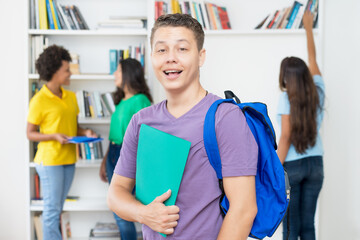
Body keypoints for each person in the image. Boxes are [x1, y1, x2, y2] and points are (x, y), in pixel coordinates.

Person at [107, 13, 258, 240]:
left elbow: (244, 210)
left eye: (182, 49)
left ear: (200, 56)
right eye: (161, 50)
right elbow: (115, 194)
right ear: (152, 58)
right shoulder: (141, 121)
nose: (170, 58)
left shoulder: (225, 117)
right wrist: (143, 214)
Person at [27, 45, 97, 240]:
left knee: (57, 208)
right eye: (66, 70)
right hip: (50, 162)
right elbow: (30, 133)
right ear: (54, 71)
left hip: (68, 160)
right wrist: (53, 136)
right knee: (51, 211)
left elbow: (73, 128)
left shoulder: (71, 97)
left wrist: (86, 132)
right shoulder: (39, 100)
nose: (70, 74)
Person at [277, 11, 325, 240]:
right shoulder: (318, 90)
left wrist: (274, 167)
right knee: (308, 225)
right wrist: (308, 28)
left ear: (286, 79)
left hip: (293, 167)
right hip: (316, 164)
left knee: (290, 227)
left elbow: (285, 136)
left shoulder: (286, 98)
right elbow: (313, 58)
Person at [99, 58, 153, 240]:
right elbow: (114, 135)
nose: (114, 74)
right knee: (119, 209)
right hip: (114, 153)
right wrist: (105, 161)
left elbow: (147, 136)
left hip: (130, 155)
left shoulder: (140, 100)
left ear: (129, 74)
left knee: (128, 209)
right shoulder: (121, 101)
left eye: (119, 71)